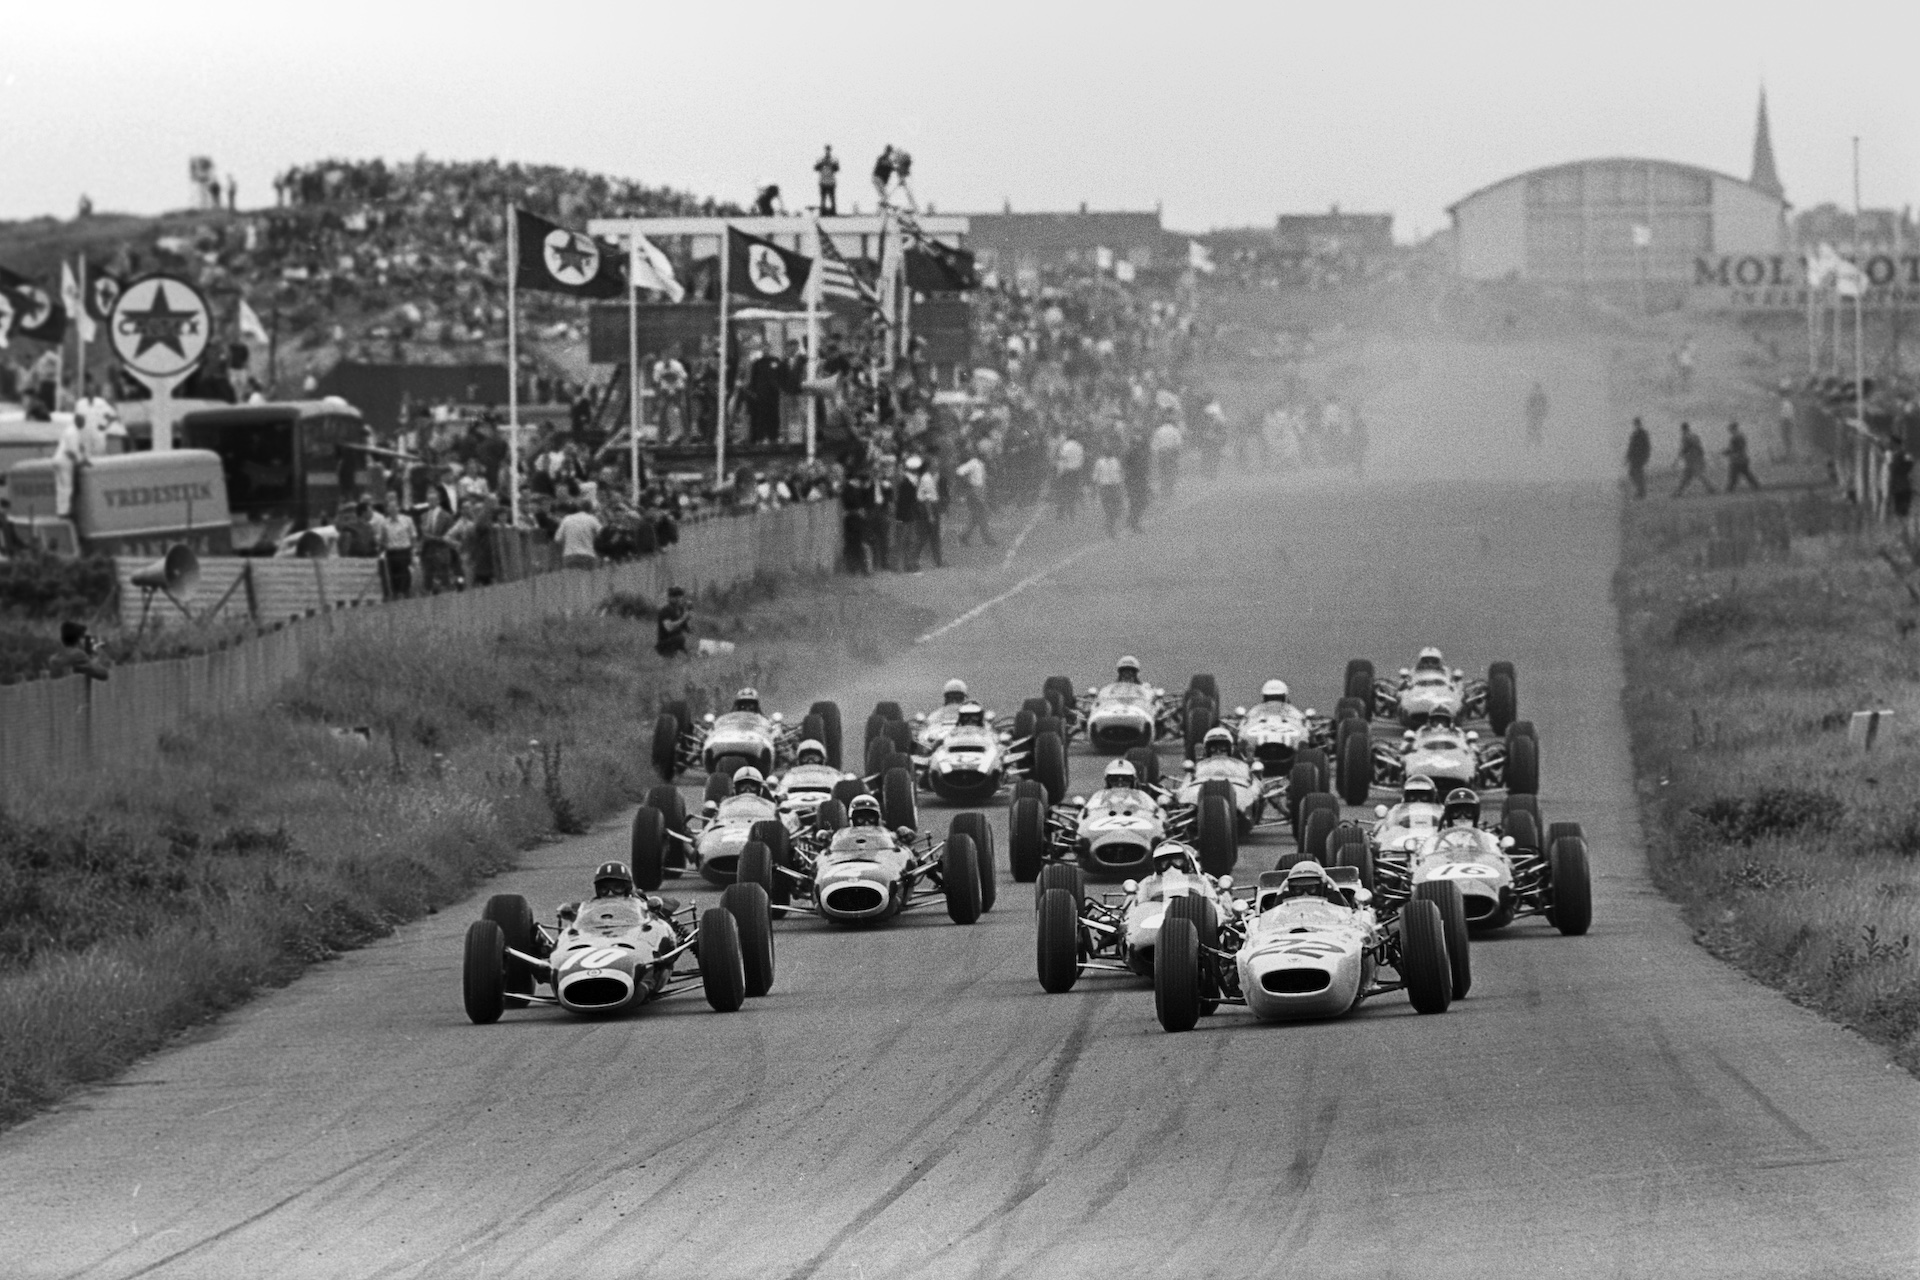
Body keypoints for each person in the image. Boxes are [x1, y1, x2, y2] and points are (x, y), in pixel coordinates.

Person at [417, 486, 459, 592]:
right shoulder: (423, 516)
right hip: (427, 553)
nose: (431, 502)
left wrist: (432, 538)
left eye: (433, 500)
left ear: (438, 501)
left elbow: (450, 537)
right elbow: (422, 535)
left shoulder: (447, 516)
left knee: (445, 582)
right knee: (427, 582)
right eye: (429, 500)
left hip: (442, 552)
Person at [838, 454, 875, 574]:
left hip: (860, 518)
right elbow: (848, 503)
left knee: (863, 543)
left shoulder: (863, 487)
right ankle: (854, 568)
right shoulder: (848, 488)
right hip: (851, 517)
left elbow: (868, 501)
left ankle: (865, 568)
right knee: (853, 544)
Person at [375, 497, 417, 597]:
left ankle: (407, 593)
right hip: (391, 552)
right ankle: (396, 594)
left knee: (405, 573)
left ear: (398, 508)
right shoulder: (384, 523)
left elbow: (413, 536)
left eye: (395, 507)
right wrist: (380, 542)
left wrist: (414, 551)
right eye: (390, 508)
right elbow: (380, 538)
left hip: (404, 551)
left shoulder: (407, 520)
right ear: (387, 510)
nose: (393, 509)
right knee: (393, 575)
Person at [954, 445, 992, 546]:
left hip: (980, 490)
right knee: (982, 513)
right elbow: (959, 472)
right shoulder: (973, 462)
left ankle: (964, 536)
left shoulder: (980, 463)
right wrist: (969, 484)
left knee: (975, 516)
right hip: (974, 491)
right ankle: (987, 538)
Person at [555, 501, 603, 570]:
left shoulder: (566, 519)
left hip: (569, 555)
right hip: (587, 555)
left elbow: (557, 539)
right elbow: (602, 534)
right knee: (587, 580)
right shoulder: (592, 519)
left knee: (571, 580)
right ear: (591, 510)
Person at [1092, 442, 1125, 537]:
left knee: (1115, 508)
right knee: (1109, 508)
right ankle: (1110, 527)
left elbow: (1119, 473)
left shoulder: (1115, 461)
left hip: (1113, 486)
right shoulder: (1100, 462)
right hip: (1106, 487)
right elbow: (1095, 476)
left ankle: (1110, 525)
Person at [1122, 430, 1153, 531]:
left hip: (1139, 480)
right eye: (1135, 443)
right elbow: (1126, 468)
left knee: (1141, 502)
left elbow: (1144, 468)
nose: (1137, 445)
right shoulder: (1130, 453)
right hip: (1134, 481)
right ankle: (1134, 522)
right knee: (1137, 502)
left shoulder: (1140, 453)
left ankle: (1132, 520)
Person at [1053, 431, 1085, 521]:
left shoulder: (1065, 446)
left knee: (1062, 492)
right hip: (1076, 472)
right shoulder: (1079, 446)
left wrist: (1059, 472)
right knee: (1073, 492)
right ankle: (1072, 514)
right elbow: (1081, 459)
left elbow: (1061, 458)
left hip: (1066, 472)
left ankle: (1060, 514)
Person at [1675, 422, 1714, 496]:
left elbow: (1684, 449)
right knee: (1688, 477)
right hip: (1696, 459)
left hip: (1691, 460)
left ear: (1683, 429)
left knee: (1697, 475)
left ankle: (1711, 489)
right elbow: (1700, 448)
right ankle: (1679, 492)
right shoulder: (1695, 436)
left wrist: (1677, 460)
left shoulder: (1685, 437)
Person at [1150, 416, 1184, 496]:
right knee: (1171, 469)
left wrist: (1156, 453)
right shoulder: (1175, 430)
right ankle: (1170, 488)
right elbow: (1179, 443)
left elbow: (1154, 445)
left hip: (1162, 452)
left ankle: (1164, 487)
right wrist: (1178, 453)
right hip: (1172, 452)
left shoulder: (1158, 430)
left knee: (1163, 470)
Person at [656, 585, 692, 658]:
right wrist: (683, 618)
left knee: (690, 649)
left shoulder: (680, 610)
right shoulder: (665, 610)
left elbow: (688, 630)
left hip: (677, 641)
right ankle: (670, 656)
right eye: (675, 596)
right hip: (665, 643)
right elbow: (669, 627)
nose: (678, 599)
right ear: (670, 598)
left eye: (679, 596)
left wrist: (689, 618)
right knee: (681, 638)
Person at [1723, 422, 1760, 491]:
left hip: (1737, 459)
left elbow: (1735, 448)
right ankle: (1756, 486)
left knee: (1733, 475)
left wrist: (1726, 452)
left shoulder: (1735, 438)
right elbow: (1739, 447)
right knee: (1746, 474)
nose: (1729, 431)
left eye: (1730, 429)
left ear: (1733, 429)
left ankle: (1729, 490)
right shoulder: (1741, 436)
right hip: (1743, 458)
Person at [1625, 417, 1652, 499]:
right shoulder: (1634, 434)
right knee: (1633, 474)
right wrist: (1627, 457)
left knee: (1637, 474)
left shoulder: (1643, 433)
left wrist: (1646, 457)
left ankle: (1641, 492)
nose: (1636, 425)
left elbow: (1647, 446)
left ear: (1639, 424)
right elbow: (1631, 447)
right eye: (1635, 424)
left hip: (1640, 458)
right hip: (1634, 458)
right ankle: (1640, 491)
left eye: (1637, 423)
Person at [1890, 447, 1914, 520]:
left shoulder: (1895, 465)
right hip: (1906, 488)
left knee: (1900, 510)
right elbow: (1911, 462)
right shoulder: (1906, 455)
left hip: (1899, 488)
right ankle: (1905, 528)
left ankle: (1904, 529)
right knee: (1904, 510)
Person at [814, 145, 839, 215]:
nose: (827, 151)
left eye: (828, 150)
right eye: (826, 150)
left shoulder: (833, 160)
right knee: (823, 199)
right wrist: (822, 163)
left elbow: (837, 169)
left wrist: (832, 164)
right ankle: (823, 212)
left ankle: (833, 212)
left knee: (832, 199)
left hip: (831, 182)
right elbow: (816, 168)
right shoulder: (821, 160)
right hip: (823, 182)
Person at [1524, 381, 1549, 446]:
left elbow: (1528, 406)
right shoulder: (1539, 396)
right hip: (1535, 414)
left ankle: (1536, 443)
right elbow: (1528, 406)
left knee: (1536, 428)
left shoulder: (1538, 396)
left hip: (1536, 414)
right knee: (1535, 428)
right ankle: (1534, 443)